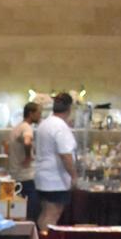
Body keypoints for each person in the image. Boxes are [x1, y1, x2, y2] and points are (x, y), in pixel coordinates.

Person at [34, 92, 77, 231]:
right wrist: (74, 176)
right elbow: (65, 154)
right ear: (69, 109)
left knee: (45, 213)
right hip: (55, 179)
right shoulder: (60, 127)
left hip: (43, 176)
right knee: (53, 215)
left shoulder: (45, 123)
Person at [6, 100, 41, 221]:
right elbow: (27, 141)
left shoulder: (16, 128)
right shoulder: (27, 128)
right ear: (31, 114)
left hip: (16, 174)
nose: (40, 116)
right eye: (38, 113)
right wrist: (28, 157)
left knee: (18, 208)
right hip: (26, 175)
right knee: (32, 210)